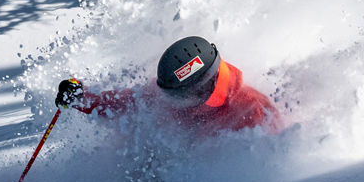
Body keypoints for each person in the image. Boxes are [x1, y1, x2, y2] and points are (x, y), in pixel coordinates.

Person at [55, 35, 281, 140]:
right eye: (169, 95)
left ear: (203, 88)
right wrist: (82, 99)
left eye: (180, 97)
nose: (171, 102)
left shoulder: (251, 110)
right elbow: (124, 104)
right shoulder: (175, 92)